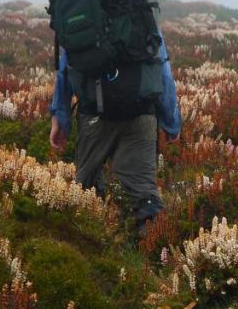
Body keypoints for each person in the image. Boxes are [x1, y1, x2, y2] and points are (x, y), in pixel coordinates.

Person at [48, 35, 181, 232]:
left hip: (93, 115)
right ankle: (152, 251)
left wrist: (60, 117)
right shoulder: (141, 12)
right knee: (144, 192)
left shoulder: (81, 13)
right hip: (140, 114)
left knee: (85, 189)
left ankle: (89, 245)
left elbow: (65, 70)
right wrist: (171, 122)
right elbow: (162, 69)